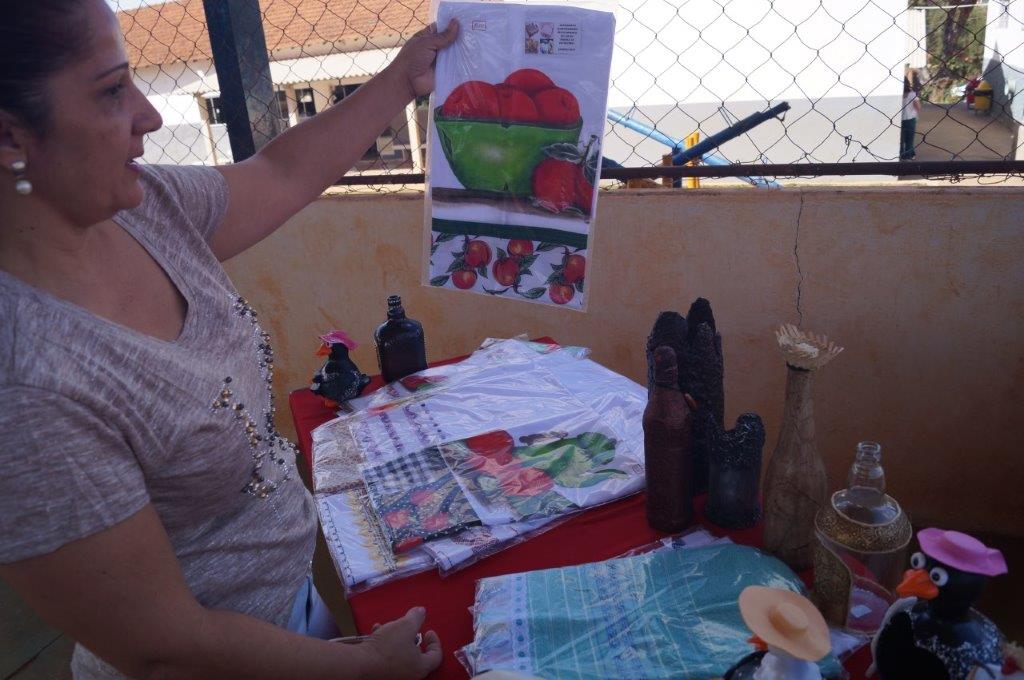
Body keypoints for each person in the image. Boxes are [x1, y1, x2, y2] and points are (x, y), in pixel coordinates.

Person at [0, 1, 457, 678]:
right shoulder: (26, 385)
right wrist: (363, 669)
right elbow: (163, 648)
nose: (150, 117)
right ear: (9, 136)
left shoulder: (141, 210)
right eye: (111, 91)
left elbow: (280, 174)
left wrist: (402, 79)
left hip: (292, 617)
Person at [900, 76, 922, 160]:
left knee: (901, 139)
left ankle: (901, 155)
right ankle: (908, 155)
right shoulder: (912, 94)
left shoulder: (897, 95)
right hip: (910, 119)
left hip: (899, 120)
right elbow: (918, 107)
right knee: (909, 139)